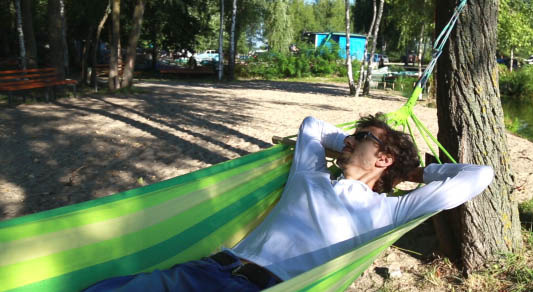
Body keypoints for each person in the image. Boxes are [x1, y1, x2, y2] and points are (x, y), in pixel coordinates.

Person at [84, 113, 494, 292]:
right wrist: (353, 146)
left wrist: (413, 173)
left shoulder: (391, 212)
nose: (347, 140)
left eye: (360, 137)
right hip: (208, 269)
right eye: (349, 135)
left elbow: (479, 175)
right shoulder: (309, 176)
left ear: (383, 158)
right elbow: (312, 127)